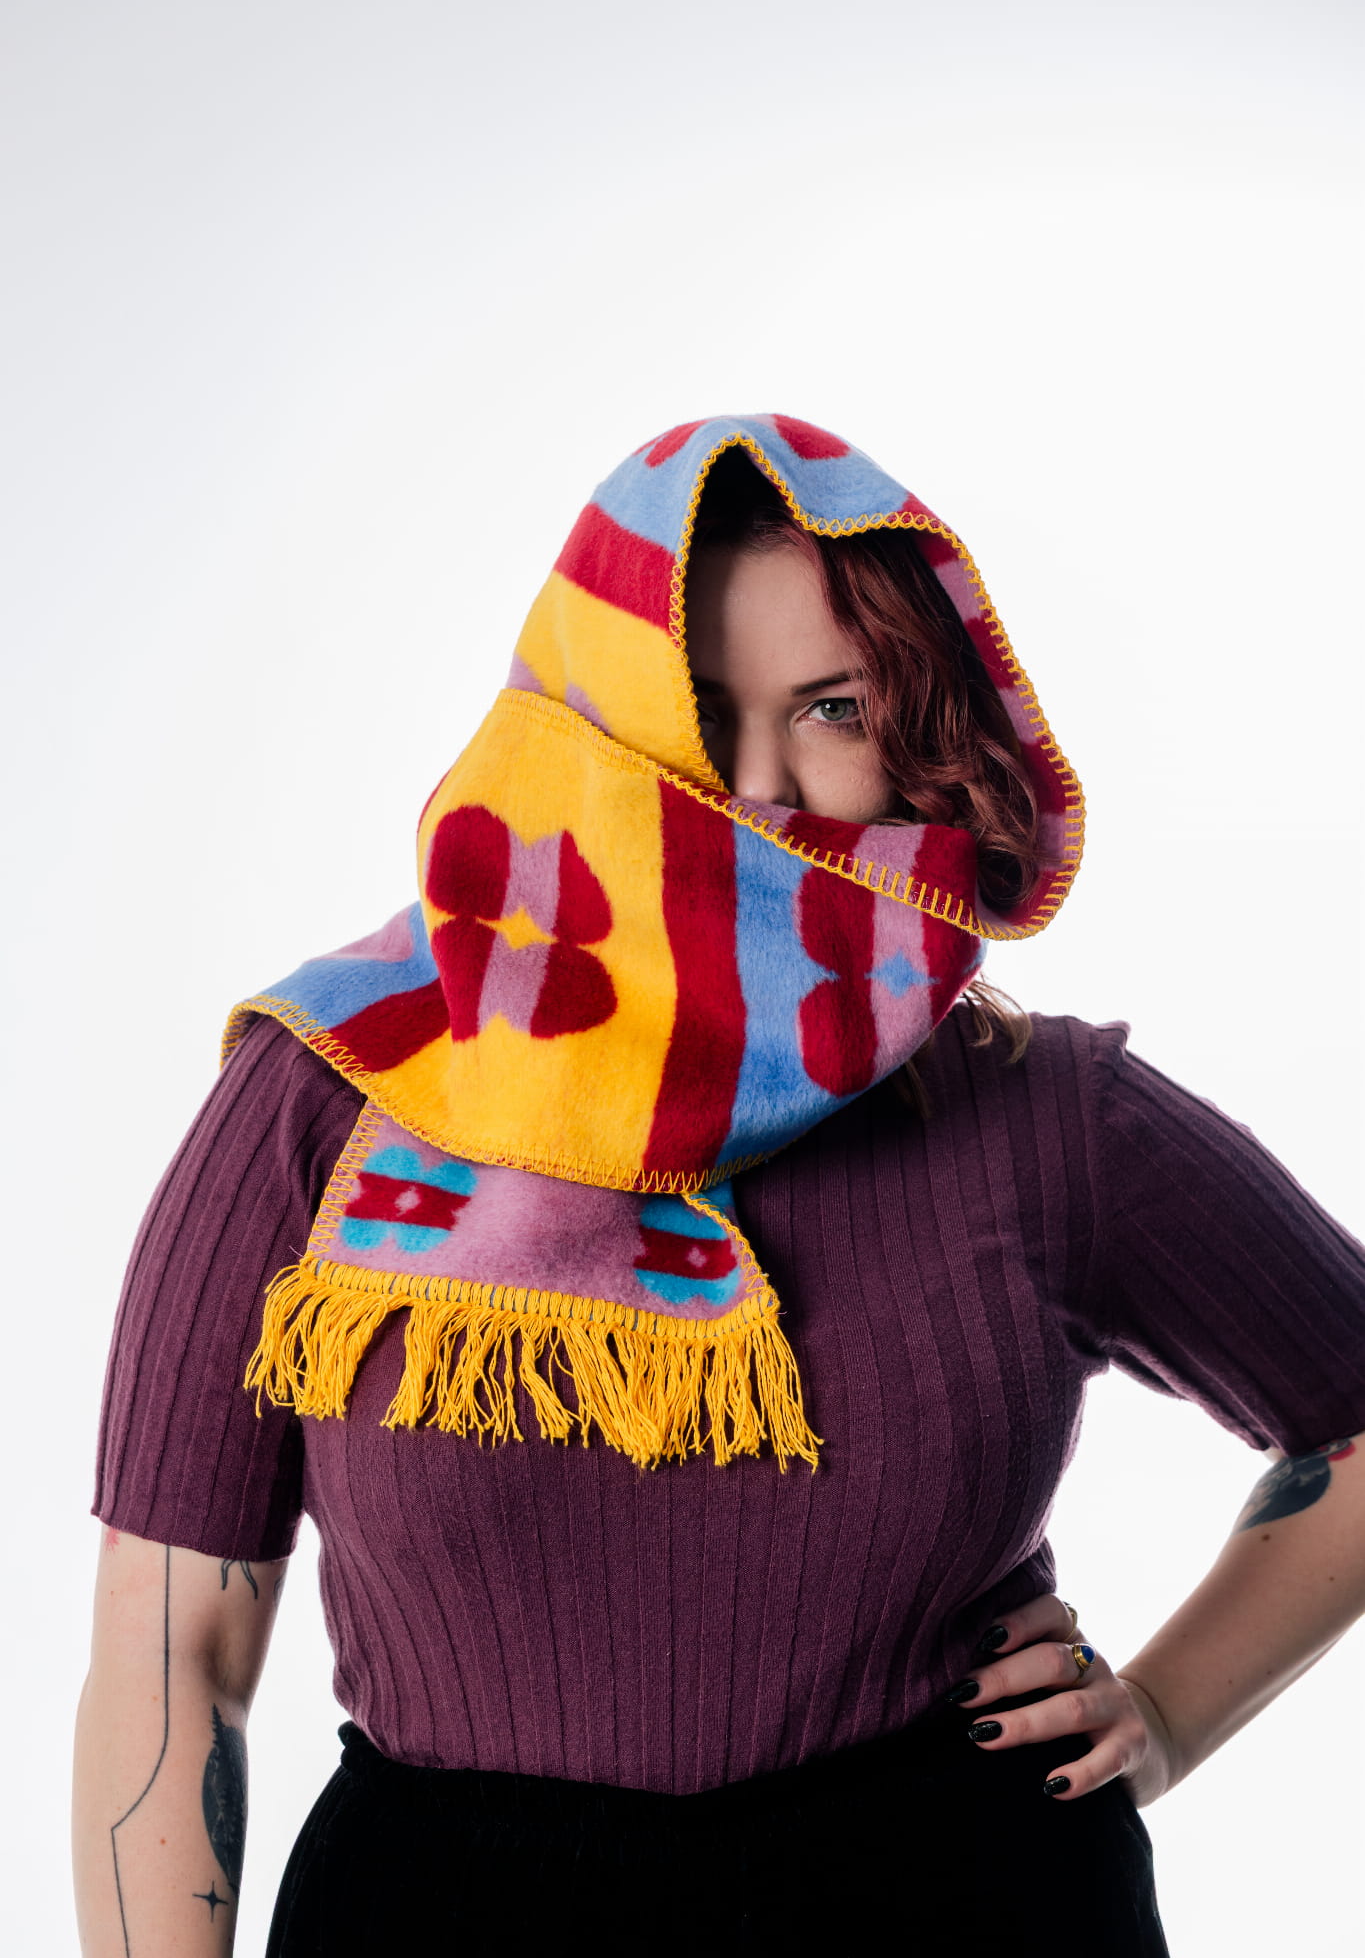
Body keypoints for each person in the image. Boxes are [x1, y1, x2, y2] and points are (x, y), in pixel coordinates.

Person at [74, 415, 1365, 1957]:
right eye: (687, 712)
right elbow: (171, 1662)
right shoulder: (333, 1088)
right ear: (575, 726)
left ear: (925, 731)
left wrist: (1159, 1713)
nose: (751, 784)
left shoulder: (1046, 1115)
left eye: (831, 707)